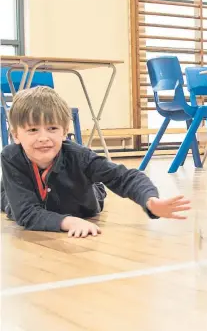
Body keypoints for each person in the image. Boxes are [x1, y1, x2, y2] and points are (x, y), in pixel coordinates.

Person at [0, 86, 190, 238]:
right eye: (33, 130)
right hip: (22, 199)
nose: (43, 138)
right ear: (16, 135)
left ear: (65, 132)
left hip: (81, 202)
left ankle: (94, 183)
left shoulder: (80, 156)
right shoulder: (11, 156)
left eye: (52, 128)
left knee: (96, 188)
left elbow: (125, 177)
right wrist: (69, 222)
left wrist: (150, 201)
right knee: (8, 202)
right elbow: (26, 214)